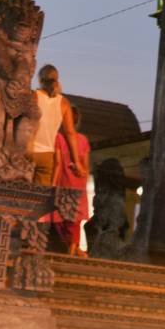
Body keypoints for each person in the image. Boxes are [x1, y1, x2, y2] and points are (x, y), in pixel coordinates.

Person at [52, 104, 91, 255]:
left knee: (60, 218)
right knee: (74, 220)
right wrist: (83, 178)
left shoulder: (59, 138)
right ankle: (75, 249)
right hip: (78, 184)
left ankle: (73, 249)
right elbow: (86, 167)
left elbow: (57, 163)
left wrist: (53, 184)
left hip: (64, 183)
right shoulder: (83, 140)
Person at [30, 64, 75, 185]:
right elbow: (70, 132)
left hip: (28, 152)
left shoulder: (33, 96)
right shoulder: (64, 103)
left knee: (21, 195)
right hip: (47, 156)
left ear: (40, 80)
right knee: (39, 199)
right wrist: (76, 160)